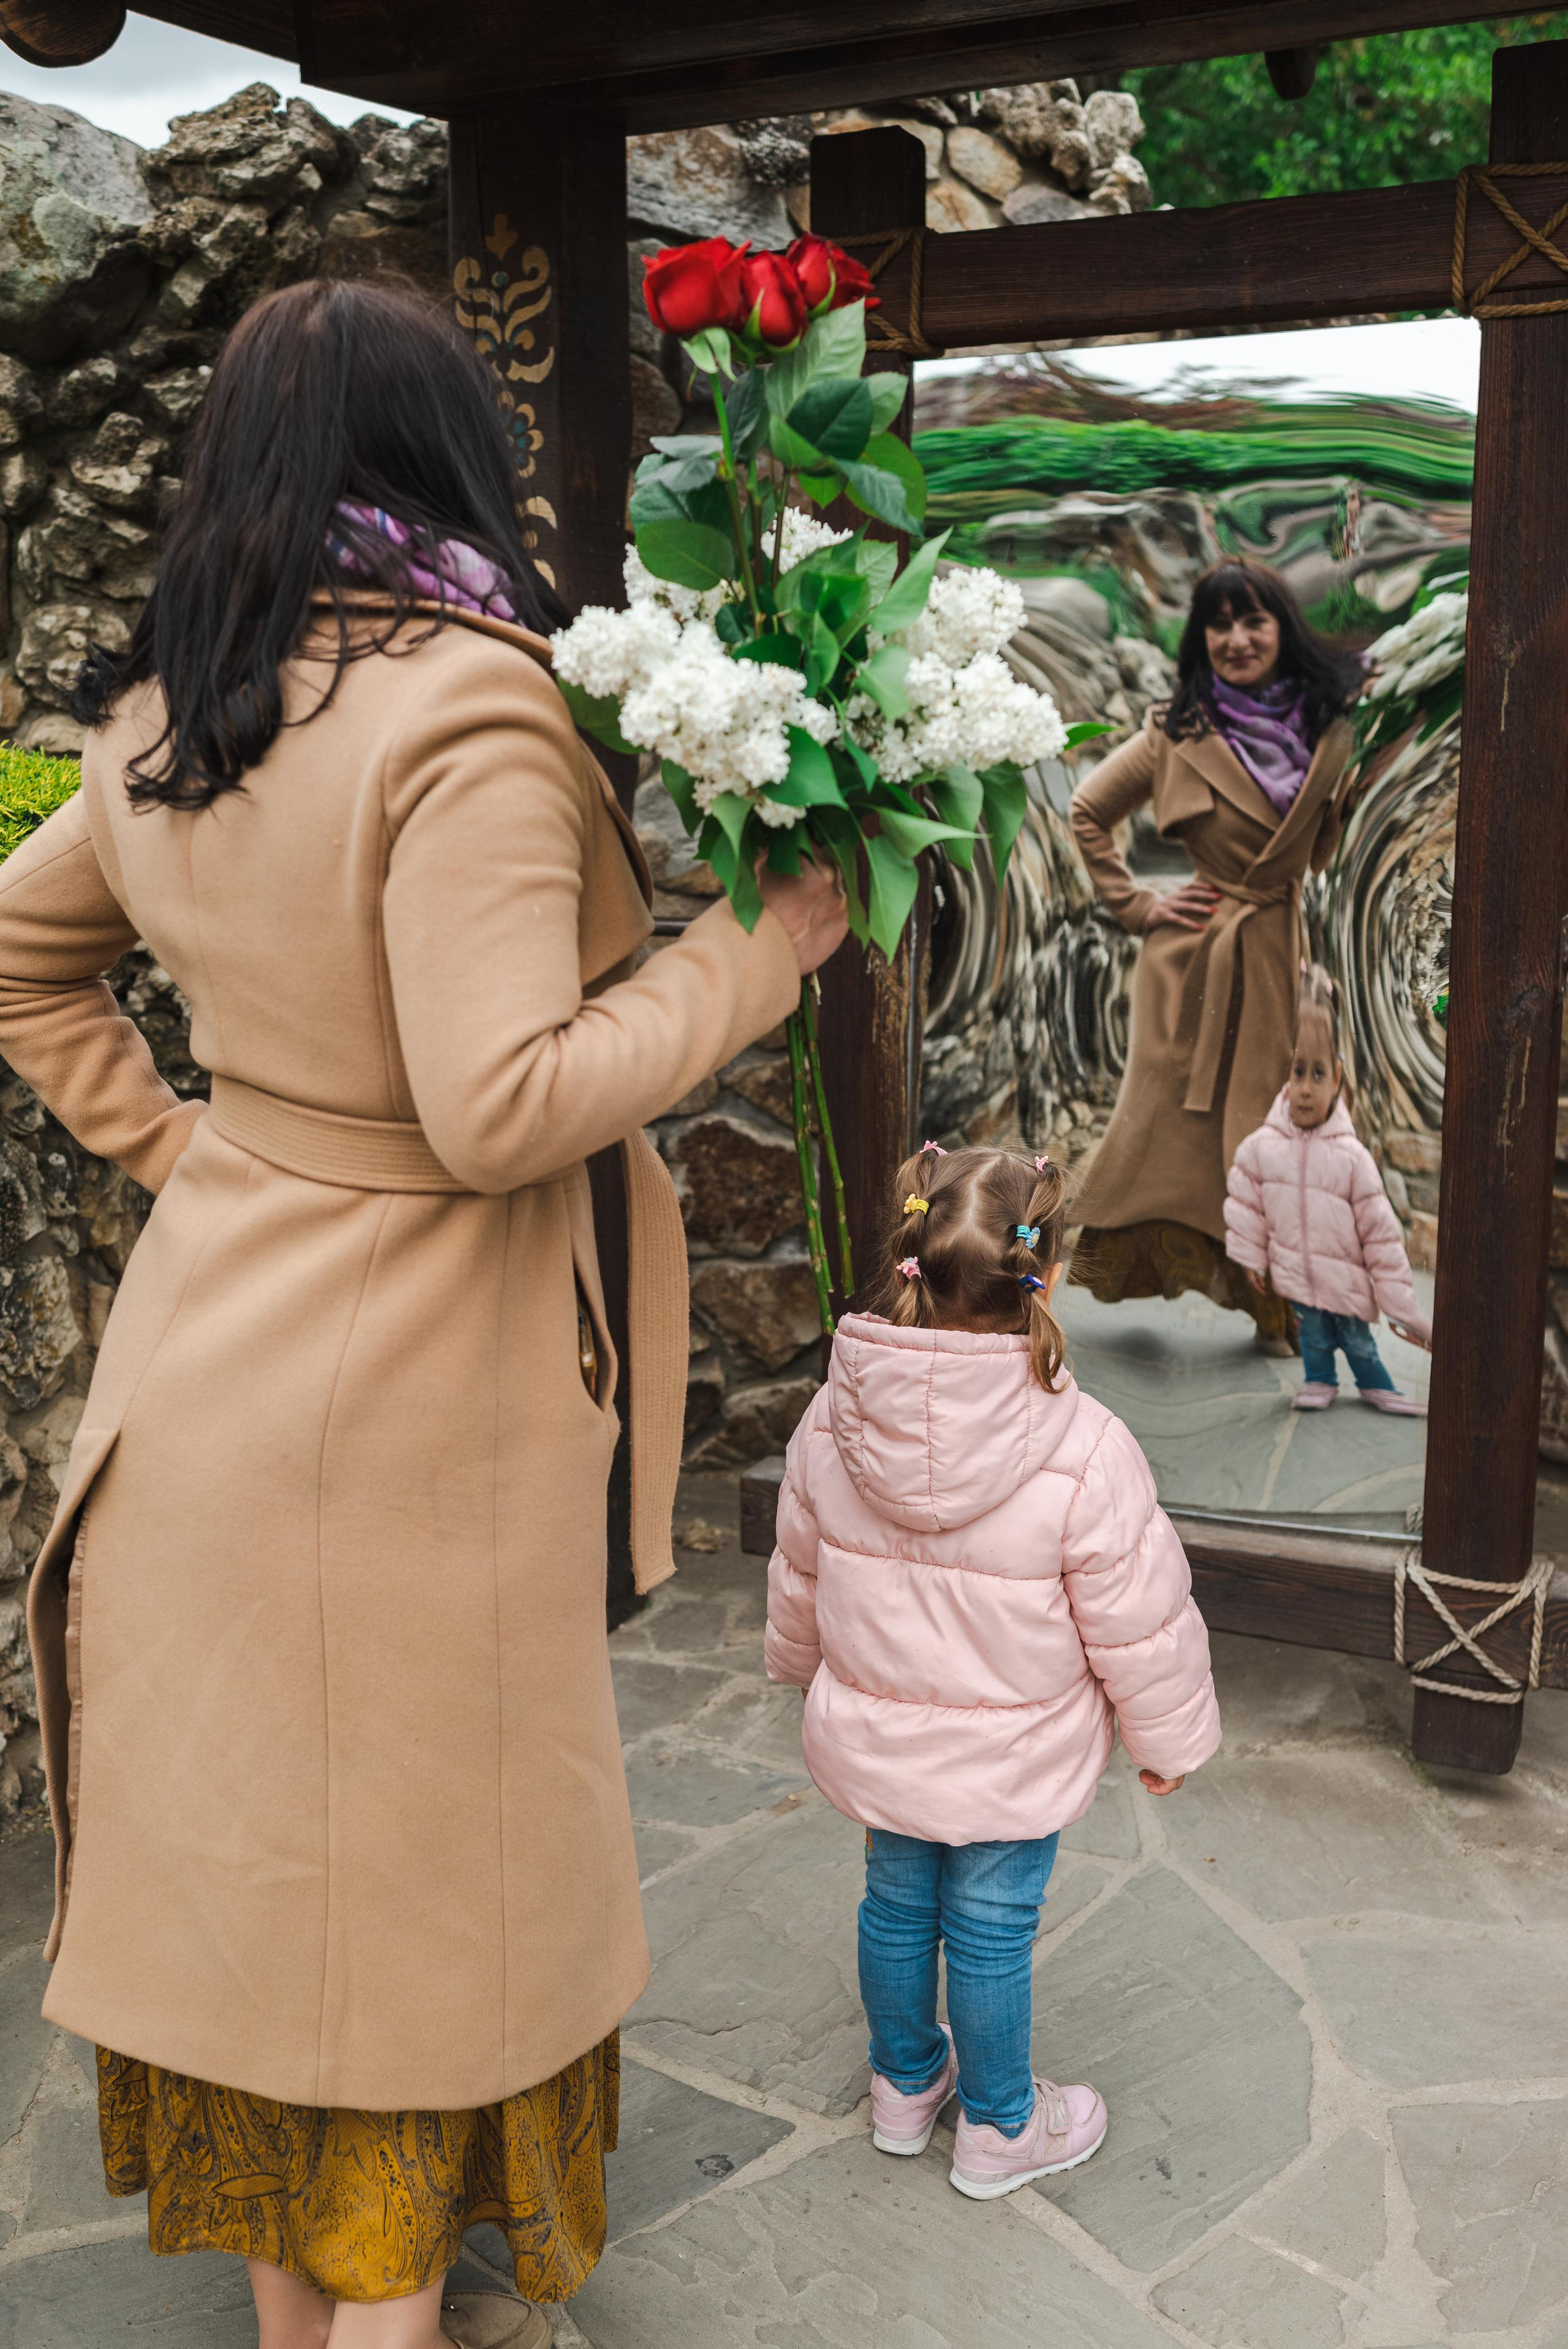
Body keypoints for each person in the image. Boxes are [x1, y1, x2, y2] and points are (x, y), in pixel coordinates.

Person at [3, 278, 846, 2349]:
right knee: (414, 1912)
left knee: (281, 1907)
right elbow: (498, 1107)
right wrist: (756, 953)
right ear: (451, 447)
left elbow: (21, 958)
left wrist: (202, 1156)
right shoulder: (467, 709)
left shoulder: (171, 705)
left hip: (210, 1356)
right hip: (412, 1399)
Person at [763, 1143, 1221, 2201]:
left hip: (883, 1739)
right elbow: (1139, 1618)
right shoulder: (1086, 1445)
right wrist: (1167, 1741)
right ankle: (1003, 2123)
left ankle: (903, 2082)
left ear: (910, 1259)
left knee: (893, 1905)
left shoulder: (834, 1416)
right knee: (990, 1927)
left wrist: (798, 1662)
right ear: (1042, 1276)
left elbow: (800, 1562)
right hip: (1013, 1756)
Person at [1068, 561, 1365, 1347]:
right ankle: (1070, 1267)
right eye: (1218, 624)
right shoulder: (1176, 732)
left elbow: (1322, 851)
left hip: (1274, 950)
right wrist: (1139, 905)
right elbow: (1087, 810)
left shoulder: (1330, 730)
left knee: (1275, 1125)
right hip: (1192, 964)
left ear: (1281, 629)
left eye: (1253, 620)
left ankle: (1280, 1302)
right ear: (1200, 638)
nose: (1236, 639)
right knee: (1164, 1130)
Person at [1224, 964, 1431, 1416]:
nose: (1304, 1089)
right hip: (1298, 1278)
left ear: (1337, 1078)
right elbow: (1245, 1197)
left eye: (1318, 1074)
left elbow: (1380, 1235)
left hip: (1346, 1283)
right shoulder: (1263, 1147)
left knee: (1358, 1342)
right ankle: (1319, 1380)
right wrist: (1253, 1255)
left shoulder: (1352, 1158)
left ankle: (1378, 1386)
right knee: (1313, 1337)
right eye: (1297, 1072)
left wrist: (1398, 1301)